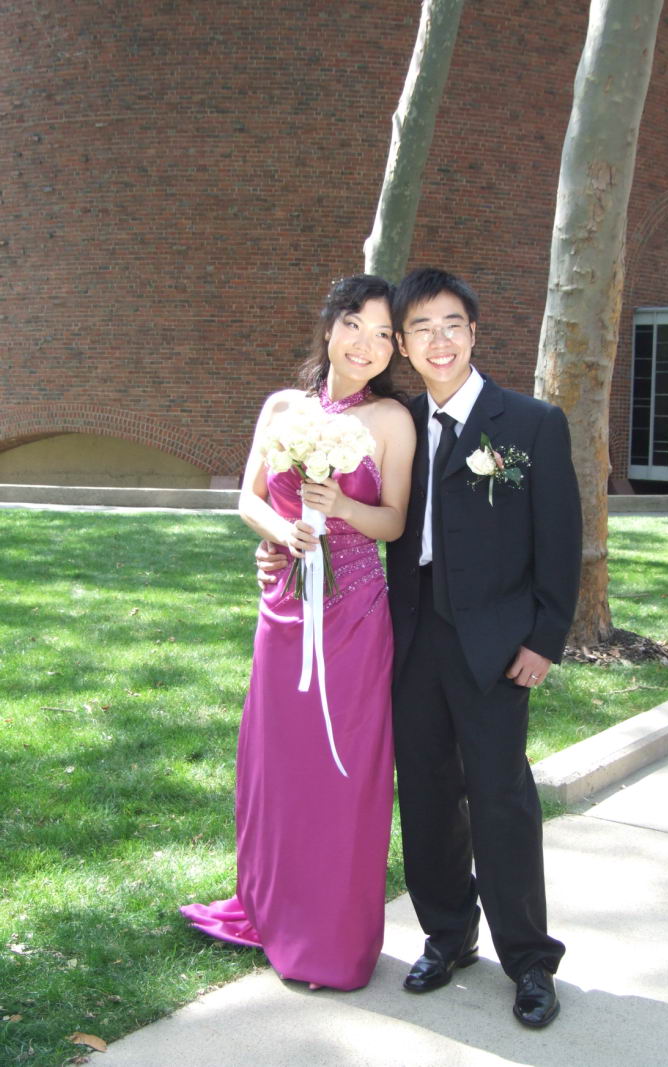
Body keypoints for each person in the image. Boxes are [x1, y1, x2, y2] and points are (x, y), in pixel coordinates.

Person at [181, 274, 416, 991]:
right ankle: (269, 908)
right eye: (355, 324)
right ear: (330, 326)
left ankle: (331, 937)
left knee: (344, 770)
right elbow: (248, 498)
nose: (366, 344)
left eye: (383, 334)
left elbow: (393, 522)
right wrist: (286, 534)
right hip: (284, 605)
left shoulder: (391, 420)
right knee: (278, 764)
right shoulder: (284, 407)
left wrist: (339, 505)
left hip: (355, 614)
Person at [386, 268, 581, 1028]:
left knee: (500, 798)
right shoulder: (398, 422)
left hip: (497, 643)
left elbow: (559, 539)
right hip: (411, 638)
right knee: (426, 794)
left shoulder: (529, 423)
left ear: (473, 332)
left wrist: (545, 637)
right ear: (404, 345)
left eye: (452, 325)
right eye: (422, 328)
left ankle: (529, 958)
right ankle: (447, 933)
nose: (439, 340)